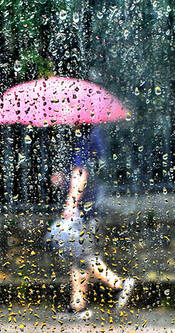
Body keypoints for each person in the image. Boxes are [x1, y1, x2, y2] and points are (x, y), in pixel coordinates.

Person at [47, 125, 135, 320]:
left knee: (85, 257)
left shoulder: (85, 137)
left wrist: (71, 204)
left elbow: (81, 173)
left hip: (84, 211)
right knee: (78, 258)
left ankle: (119, 284)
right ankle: (78, 306)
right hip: (89, 207)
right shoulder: (90, 135)